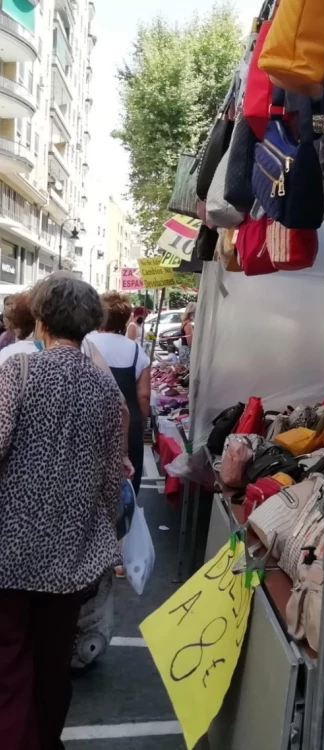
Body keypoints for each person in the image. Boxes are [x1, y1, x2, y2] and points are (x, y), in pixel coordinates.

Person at [0, 276, 123, 749]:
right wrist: (102, 535)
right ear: (88, 325)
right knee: (54, 668)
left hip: (8, 549)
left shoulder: (19, 373)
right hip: (71, 557)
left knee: (9, 667)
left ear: (41, 320)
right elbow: (112, 478)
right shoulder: (105, 389)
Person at [89, 291, 151, 495]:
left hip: (91, 423)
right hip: (129, 425)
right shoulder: (135, 350)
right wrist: (140, 421)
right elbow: (144, 396)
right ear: (126, 319)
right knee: (127, 482)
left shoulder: (86, 345)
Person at [0, 292, 37, 365]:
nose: (10, 307)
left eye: (12, 304)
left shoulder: (7, 353)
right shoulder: (48, 348)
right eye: (7, 304)